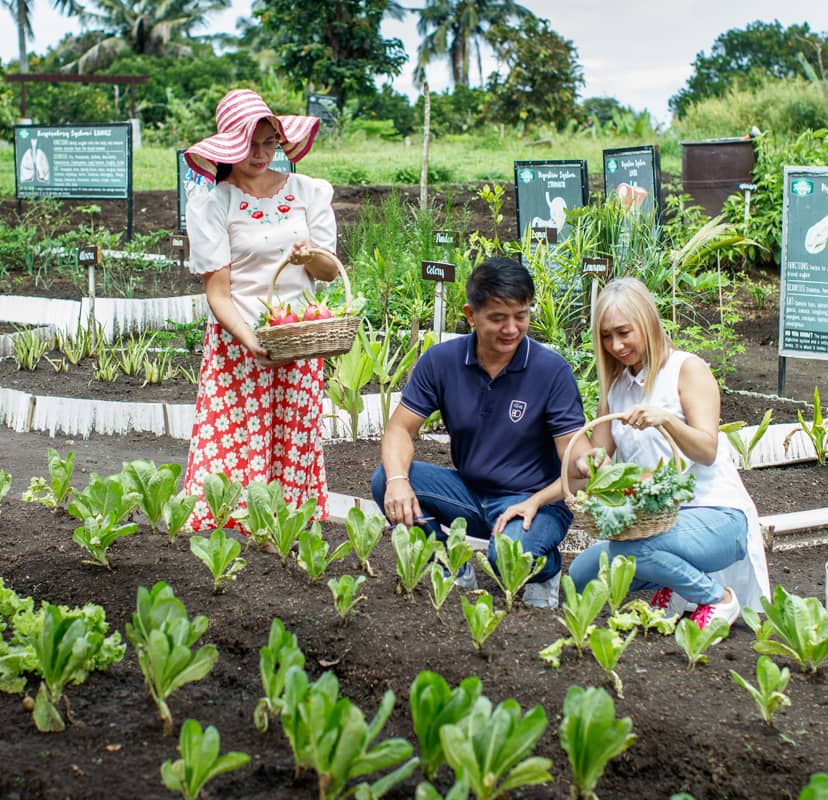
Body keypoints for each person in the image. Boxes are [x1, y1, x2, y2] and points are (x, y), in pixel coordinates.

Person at [371, 257, 589, 608]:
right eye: (498, 318)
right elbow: (399, 428)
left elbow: (574, 455)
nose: (512, 329)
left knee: (508, 557)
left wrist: (585, 462)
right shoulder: (441, 361)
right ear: (471, 315)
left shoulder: (551, 372)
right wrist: (398, 479)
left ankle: (547, 569)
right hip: (469, 493)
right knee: (386, 479)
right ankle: (450, 567)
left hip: (534, 503)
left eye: (521, 315)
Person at [180, 88, 342, 532]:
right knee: (238, 440)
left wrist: (309, 255)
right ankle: (230, 533)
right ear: (228, 145)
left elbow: (329, 271)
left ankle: (282, 532)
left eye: (270, 142)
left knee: (291, 438)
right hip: (240, 342)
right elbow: (218, 292)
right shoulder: (214, 203)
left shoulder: (307, 191)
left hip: (298, 337)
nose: (261, 153)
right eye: (250, 143)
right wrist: (251, 340)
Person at [567, 277, 771, 628]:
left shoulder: (686, 369)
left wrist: (666, 421)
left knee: (638, 549)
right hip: (656, 522)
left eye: (624, 332)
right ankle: (674, 586)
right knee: (581, 573)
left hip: (716, 515)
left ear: (647, 323)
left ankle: (716, 599)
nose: (616, 345)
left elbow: (707, 450)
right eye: (606, 336)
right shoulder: (616, 388)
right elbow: (598, 457)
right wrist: (587, 463)